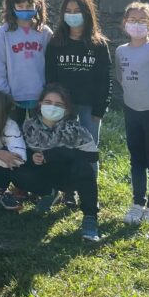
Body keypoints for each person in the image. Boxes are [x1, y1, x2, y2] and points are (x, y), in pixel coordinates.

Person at [15, 84, 101, 241]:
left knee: (84, 168)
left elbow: (92, 156)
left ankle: (90, 217)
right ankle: (49, 194)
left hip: (68, 176)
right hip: (43, 173)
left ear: (66, 110)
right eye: (48, 102)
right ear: (40, 104)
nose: (52, 107)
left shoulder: (75, 129)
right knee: (19, 173)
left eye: (59, 104)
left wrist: (56, 154)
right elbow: (19, 152)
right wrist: (32, 157)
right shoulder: (29, 126)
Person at [115, 2, 149, 225]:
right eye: (132, 20)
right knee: (136, 159)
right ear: (125, 23)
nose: (136, 24)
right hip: (132, 111)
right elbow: (120, 77)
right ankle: (138, 203)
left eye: (142, 21)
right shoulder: (121, 51)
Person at [44, 0, 111, 145]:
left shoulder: (98, 45)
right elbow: (50, 77)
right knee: (62, 146)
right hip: (62, 105)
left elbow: (105, 79)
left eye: (77, 11)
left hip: (90, 106)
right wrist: (53, 103)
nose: (72, 15)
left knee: (88, 147)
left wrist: (100, 109)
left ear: (87, 13)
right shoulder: (55, 43)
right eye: (68, 11)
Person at [0, 0, 53, 125]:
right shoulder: (4, 32)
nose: (25, 9)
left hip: (40, 95)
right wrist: (3, 92)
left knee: (39, 132)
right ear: (12, 7)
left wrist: (49, 92)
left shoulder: (45, 32)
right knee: (13, 132)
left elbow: (51, 64)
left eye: (29, 6)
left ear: (37, 6)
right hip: (13, 95)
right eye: (20, 6)